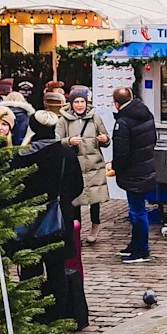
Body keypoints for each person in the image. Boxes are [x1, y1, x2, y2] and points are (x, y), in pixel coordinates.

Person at [9, 136, 84, 325]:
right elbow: (78, 186)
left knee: (30, 268)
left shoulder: (20, 157)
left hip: (28, 219)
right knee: (57, 268)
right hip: (59, 218)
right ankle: (58, 314)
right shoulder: (66, 154)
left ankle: (32, 313)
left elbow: (12, 190)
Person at [56, 86, 110, 244]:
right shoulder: (63, 120)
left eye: (82, 102)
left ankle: (95, 226)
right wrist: (68, 141)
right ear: (71, 103)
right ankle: (76, 230)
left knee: (95, 199)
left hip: (94, 165)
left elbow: (106, 137)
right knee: (75, 200)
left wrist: (104, 139)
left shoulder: (95, 118)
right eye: (77, 102)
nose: (80, 105)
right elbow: (56, 141)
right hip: (74, 166)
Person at [110, 86, 156, 263]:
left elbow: (122, 152)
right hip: (145, 167)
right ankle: (135, 244)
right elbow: (153, 140)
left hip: (133, 172)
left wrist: (115, 167)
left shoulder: (123, 122)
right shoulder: (146, 114)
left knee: (137, 212)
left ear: (116, 104)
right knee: (137, 209)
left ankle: (141, 250)